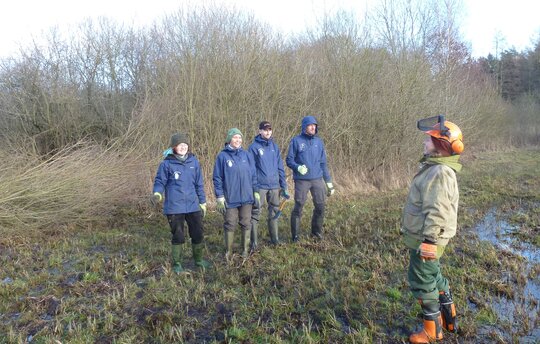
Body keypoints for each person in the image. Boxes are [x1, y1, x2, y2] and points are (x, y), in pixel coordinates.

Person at [401, 115, 462, 343]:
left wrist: (428, 240)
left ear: (441, 146)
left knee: (422, 279)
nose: (424, 143)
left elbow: (437, 210)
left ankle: (431, 331)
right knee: (433, 275)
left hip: (425, 238)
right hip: (427, 237)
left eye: (429, 140)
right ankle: (449, 318)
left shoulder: (439, 172)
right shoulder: (437, 168)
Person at [151, 133, 210, 274]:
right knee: (178, 235)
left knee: (197, 233)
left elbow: (199, 184)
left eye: (185, 145)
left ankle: (199, 260)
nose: (183, 147)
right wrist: (157, 194)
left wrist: (202, 202)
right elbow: (160, 182)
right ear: (174, 147)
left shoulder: (194, 162)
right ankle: (177, 264)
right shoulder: (166, 164)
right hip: (174, 206)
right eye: (180, 145)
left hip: (192, 205)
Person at [213, 128, 260, 259]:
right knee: (230, 223)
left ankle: (245, 250)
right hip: (230, 198)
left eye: (239, 138)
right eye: (235, 137)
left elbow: (253, 175)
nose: (238, 140)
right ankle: (229, 251)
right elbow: (217, 178)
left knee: (246, 222)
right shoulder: (222, 156)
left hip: (246, 197)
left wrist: (255, 192)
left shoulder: (246, 155)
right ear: (229, 139)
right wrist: (220, 197)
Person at [286, 115, 334, 242]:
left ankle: (316, 232)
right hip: (302, 180)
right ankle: (295, 236)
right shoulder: (296, 141)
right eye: (310, 125)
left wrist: (328, 182)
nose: (313, 127)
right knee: (299, 206)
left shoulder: (319, 142)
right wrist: (298, 168)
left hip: (317, 179)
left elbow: (323, 163)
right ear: (304, 127)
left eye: (315, 125)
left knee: (320, 206)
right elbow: (289, 160)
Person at [248, 121, 289, 249]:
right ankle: (253, 242)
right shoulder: (253, 147)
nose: (268, 132)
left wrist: (284, 185)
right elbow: (251, 169)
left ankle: (275, 239)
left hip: (274, 186)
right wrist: (254, 187)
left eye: (270, 129)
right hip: (260, 186)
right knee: (255, 212)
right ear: (260, 131)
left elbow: (280, 167)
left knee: (274, 211)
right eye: (265, 130)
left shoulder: (274, 147)